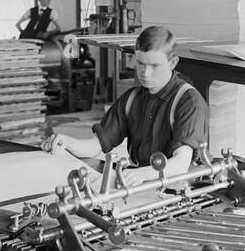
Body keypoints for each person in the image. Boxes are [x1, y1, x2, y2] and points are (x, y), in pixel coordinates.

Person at [49, 25, 209, 181]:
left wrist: (142, 174)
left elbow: (181, 163)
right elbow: (94, 146)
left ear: (172, 63)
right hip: (144, 182)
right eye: (140, 63)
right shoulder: (131, 99)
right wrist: (68, 142)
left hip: (183, 186)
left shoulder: (188, 101)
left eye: (154, 66)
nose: (145, 73)